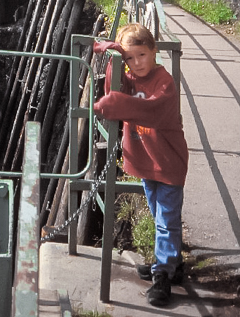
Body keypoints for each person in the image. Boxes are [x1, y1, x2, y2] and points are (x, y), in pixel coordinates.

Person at [93, 22, 188, 308]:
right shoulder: (130, 76)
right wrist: (113, 57)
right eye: (129, 58)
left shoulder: (164, 82)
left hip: (169, 161)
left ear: (154, 51)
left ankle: (162, 276)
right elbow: (113, 88)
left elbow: (151, 110)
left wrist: (115, 104)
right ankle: (174, 264)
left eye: (142, 55)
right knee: (159, 213)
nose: (136, 63)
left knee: (165, 220)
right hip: (145, 161)